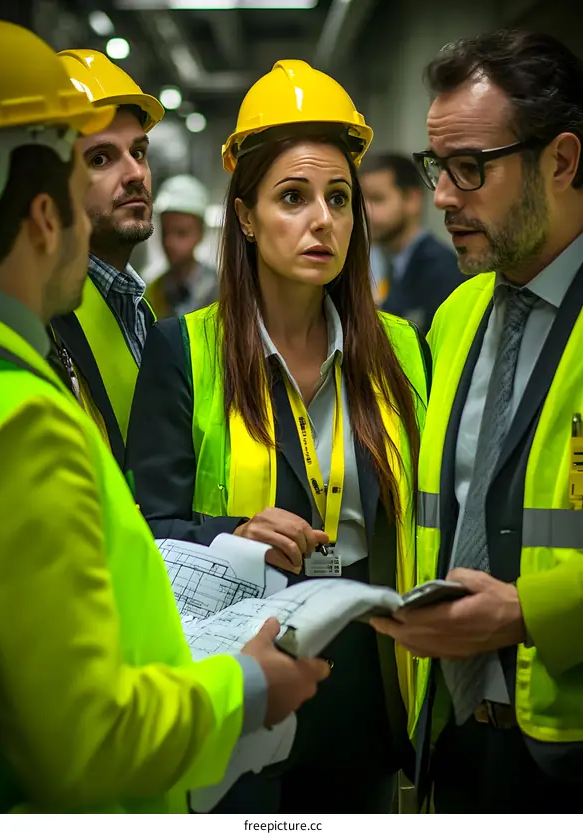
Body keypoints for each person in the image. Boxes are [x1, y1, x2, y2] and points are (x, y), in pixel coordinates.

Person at [0, 21, 329, 814]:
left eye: (135, 151)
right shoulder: (25, 411)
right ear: (43, 213)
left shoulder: (136, 318)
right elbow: (84, 738)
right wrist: (245, 687)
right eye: (89, 167)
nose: (125, 176)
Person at [126, 59, 430, 813]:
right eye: (292, 198)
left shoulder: (400, 351)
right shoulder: (183, 350)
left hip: (370, 669)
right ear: (247, 216)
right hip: (244, 663)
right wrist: (232, 531)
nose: (321, 220)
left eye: (338, 198)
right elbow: (142, 533)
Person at [373, 29, 583, 813]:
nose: (443, 197)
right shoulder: (458, 315)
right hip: (452, 737)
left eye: (470, 168)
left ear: (560, 162)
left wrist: (531, 612)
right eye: (437, 167)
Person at [48, 50, 164, 467]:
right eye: (101, 158)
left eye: (138, 152)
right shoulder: (41, 321)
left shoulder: (138, 309)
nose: (135, 174)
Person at [360, 152, 465, 332]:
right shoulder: (381, 264)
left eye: (377, 199)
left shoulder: (442, 272)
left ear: (412, 200)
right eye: (362, 202)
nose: (366, 213)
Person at [145, 174, 219, 318]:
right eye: (165, 232)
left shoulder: (223, 291)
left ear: (201, 233)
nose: (170, 242)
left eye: (181, 233)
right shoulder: (151, 292)